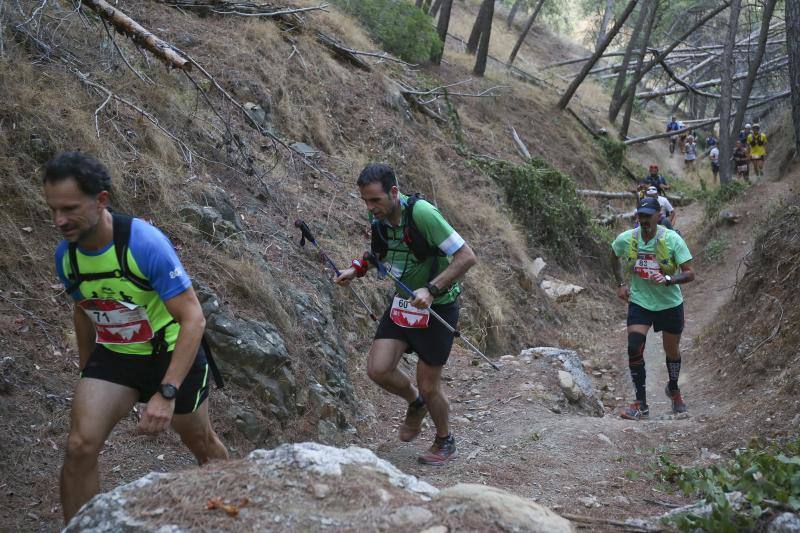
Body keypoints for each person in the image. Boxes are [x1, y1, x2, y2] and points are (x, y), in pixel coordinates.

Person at [43, 152, 228, 523]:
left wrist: (167, 391)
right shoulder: (67, 256)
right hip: (117, 354)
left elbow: (193, 319)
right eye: (53, 209)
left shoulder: (144, 244)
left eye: (69, 208)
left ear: (101, 200)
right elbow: (83, 309)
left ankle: (237, 511)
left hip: (171, 351)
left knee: (200, 442)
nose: (59, 220)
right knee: (80, 446)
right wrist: (88, 369)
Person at [334, 163, 476, 466]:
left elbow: (466, 256)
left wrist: (432, 289)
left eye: (376, 200)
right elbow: (379, 255)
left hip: (438, 307)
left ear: (394, 192)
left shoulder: (422, 214)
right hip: (404, 304)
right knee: (378, 369)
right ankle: (416, 403)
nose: (371, 208)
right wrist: (355, 270)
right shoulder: (380, 219)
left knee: (429, 383)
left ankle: (444, 440)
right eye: (366, 201)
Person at [611, 197, 695, 420]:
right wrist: (620, 285)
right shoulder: (627, 239)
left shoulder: (672, 239)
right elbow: (613, 254)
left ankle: (674, 390)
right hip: (640, 302)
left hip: (669, 304)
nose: (645, 220)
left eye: (649, 215)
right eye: (641, 215)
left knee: (672, 351)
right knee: (634, 346)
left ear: (660, 216)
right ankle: (640, 403)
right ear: (637, 216)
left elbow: (689, 273)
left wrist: (668, 278)